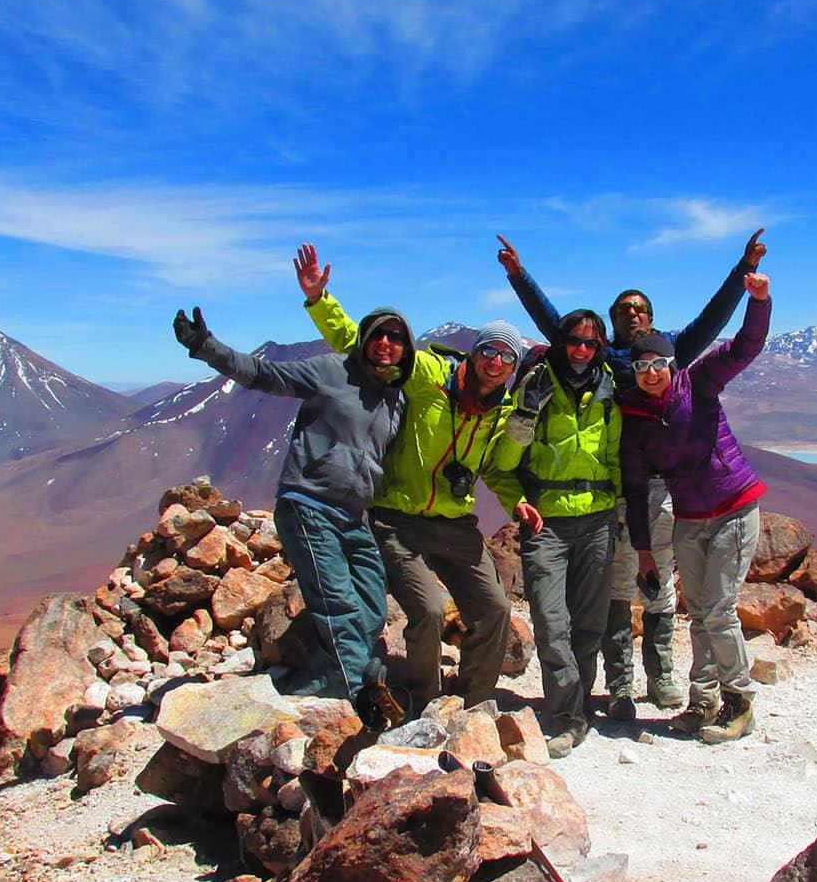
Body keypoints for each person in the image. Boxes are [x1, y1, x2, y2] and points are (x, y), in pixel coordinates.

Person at [496, 229, 767, 719]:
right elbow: (557, 326)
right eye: (624, 310)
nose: (633, 314)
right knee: (618, 588)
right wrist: (519, 276)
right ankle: (620, 684)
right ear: (612, 321)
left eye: (641, 308)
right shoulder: (603, 357)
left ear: (652, 318)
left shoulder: (673, 352)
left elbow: (713, 319)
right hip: (614, 488)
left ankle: (661, 676)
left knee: (658, 585)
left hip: (660, 489)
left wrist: (741, 271)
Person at [292, 242, 525, 710]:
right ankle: (421, 702)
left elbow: (494, 468)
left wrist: (516, 501)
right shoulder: (430, 375)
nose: (496, 362)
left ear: (513, 368)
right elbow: (366, 348)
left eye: (507, 357)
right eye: (489, 350)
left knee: (496, 609)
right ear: (475, 353)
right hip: (399, 520)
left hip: (456, 524)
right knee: (429, 610)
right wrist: (319, 300)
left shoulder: (502, 412)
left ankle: (470, 702)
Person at [171, 296, 410, 725]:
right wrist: (207, 347)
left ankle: (320, 678)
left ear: (405, 349)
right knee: (337, 603)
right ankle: (362, 698)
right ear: (364, 338)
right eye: (378, 334)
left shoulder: (396, 399)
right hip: (308, 504)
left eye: (396, 337)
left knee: (373, 604)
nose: (386, 343)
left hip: (353, 517)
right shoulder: (332, 370)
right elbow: (266, 374)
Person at [618, 270, 772, 743]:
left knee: (720, 610)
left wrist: (759, 302)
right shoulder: (635, 418)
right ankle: (703, 701)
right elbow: (636, 488)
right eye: (641, 366)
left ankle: (739, 702)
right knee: (701, 614)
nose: (650, 373)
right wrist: (645, 553)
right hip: (688, 518)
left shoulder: (698, 381)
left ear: (670, 363)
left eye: (657, 364)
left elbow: (744, 348)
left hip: (733, 508)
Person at [483, 307, 622, 756]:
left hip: (599, 518)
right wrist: (524, 415)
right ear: (561, 342)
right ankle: (566, 716)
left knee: (590, 622)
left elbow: (617, 455)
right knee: (551, 621)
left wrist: (623, 510)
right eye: (574, 341)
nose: (581, 350)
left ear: (600, 347)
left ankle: (578, 704)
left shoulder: (610, 387)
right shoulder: (537, 384)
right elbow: (503, 463)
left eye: (590, 343)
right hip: (547, 522)